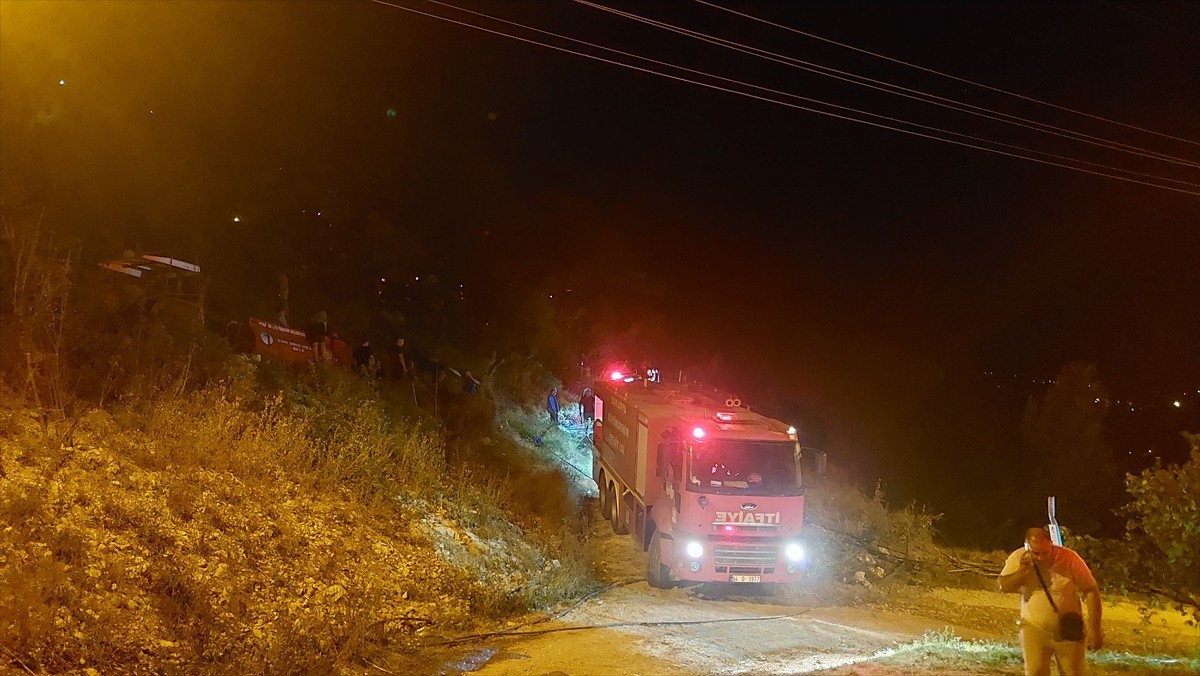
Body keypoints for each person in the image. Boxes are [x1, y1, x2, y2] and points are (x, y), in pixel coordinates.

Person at [998, 527, 1102, 676]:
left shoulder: (1070, 558)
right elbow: (1004, 587)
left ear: (1051, 544)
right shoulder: (1019, 557)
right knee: (1035, 672)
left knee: (1072, 672)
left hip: (1068, 630)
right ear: (1027, 546)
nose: (1040, 557)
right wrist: (1022, 572)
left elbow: (1091, 590)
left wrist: (1095, 629)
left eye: (1045, 553)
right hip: (1033, 627)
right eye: (1036, 553)